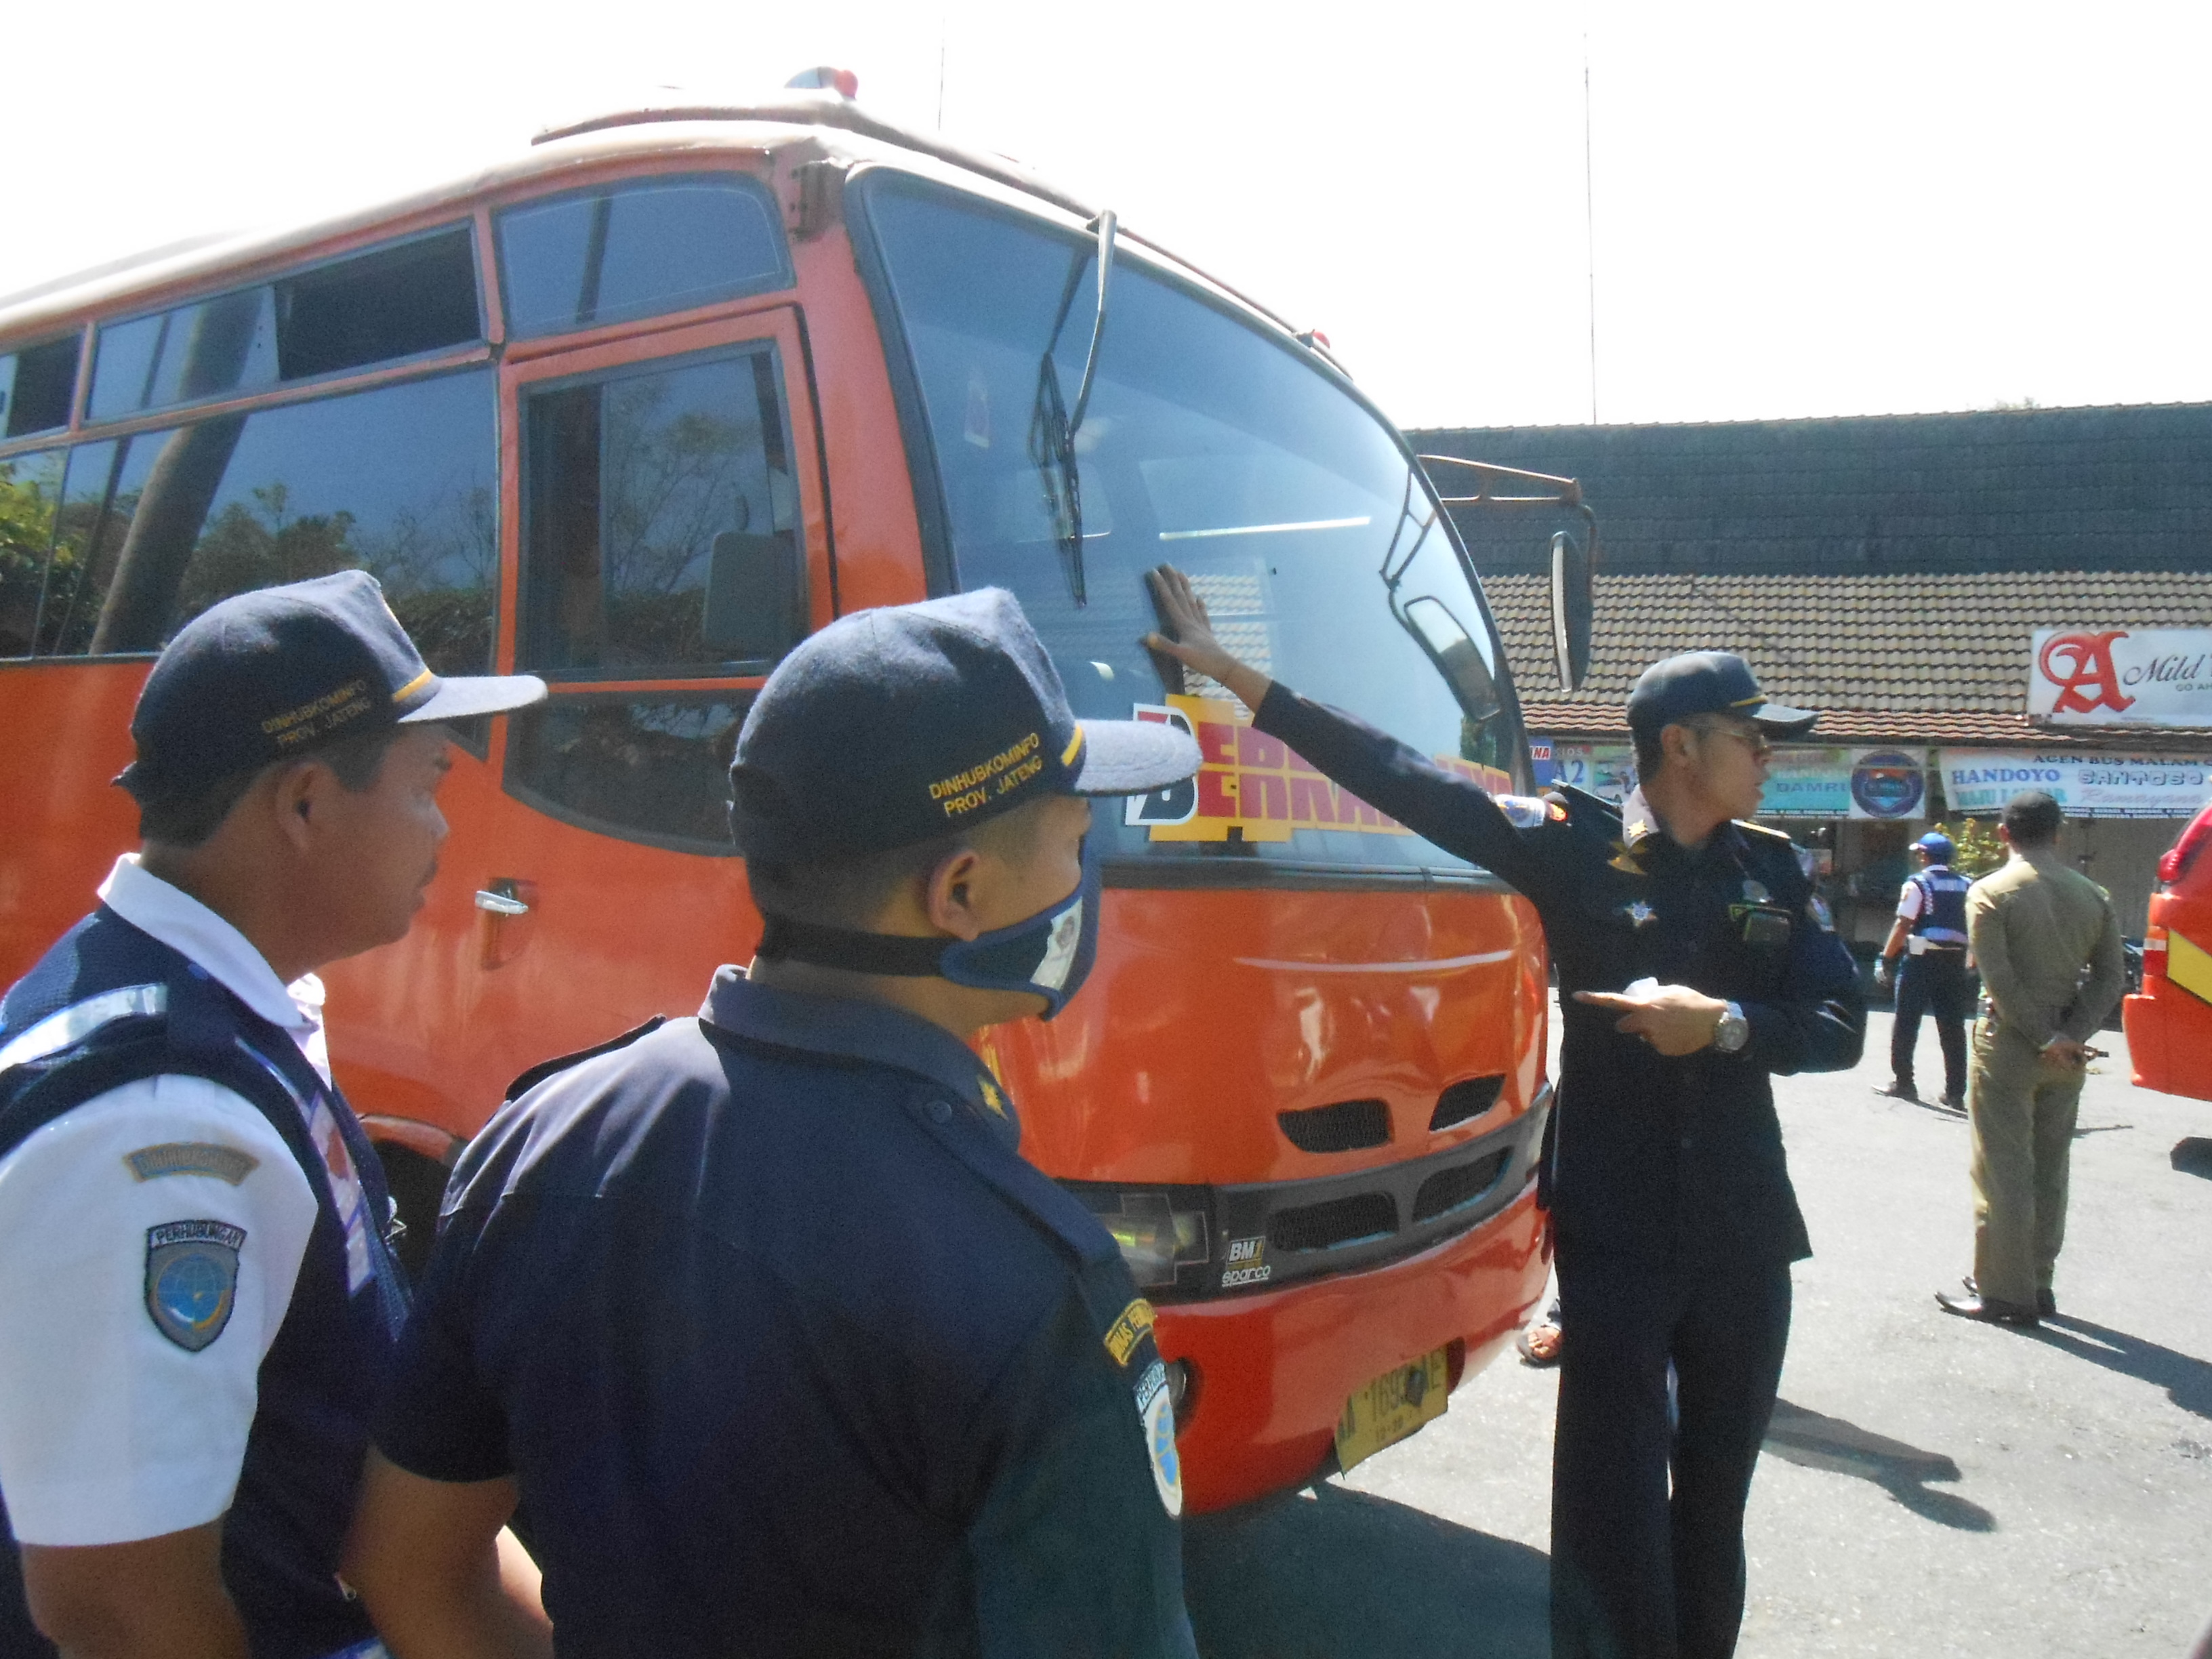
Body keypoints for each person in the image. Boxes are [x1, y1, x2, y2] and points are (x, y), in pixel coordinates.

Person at [342, 588, 1204, 1659]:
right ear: (962, 892)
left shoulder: (543, 1139)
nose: (1086, 878)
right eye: (1076, 841)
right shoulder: (1037, 1290)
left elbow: (407, 1564)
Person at [1143, 567, 1863, 1659]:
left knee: (1716, 1496)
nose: (1771, 757)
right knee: (1612, 1500)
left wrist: (1724, 1026)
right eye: (1752, 737)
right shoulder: (1575, 841)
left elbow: (1840, 1023)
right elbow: (1405, 780)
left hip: (1743, 1233)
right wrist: (1244, 679)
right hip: (1619, 1232)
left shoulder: (1772, 870)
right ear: (1681, 746)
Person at [0, 573, 546, 1659]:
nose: (444, 829)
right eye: (428, 784)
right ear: (304, 804)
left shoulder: (226, 1010)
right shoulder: (160, 1125)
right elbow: (117, 1609)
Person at [1936, 790, 2124, 1326]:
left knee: (2003, 1171)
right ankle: (2038, 1282)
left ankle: (2004, 1292)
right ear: (2058, 834)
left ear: (2004, 834)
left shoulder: (1991, 892)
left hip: (2011, 1045)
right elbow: (2111, 977)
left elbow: (1999, 980)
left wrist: (2045, 1036)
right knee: (2050, 1169)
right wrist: (2071, 1035)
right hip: (2069, 1052)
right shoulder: (2093, 894)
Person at [1875, 830, 1974, 1109]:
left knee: (1906, 1022)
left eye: (1920, 853)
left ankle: (1904, 1082)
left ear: (1925, 856)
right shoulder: (1968, 884)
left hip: (1920, 960)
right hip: (1955, 961)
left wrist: (1886, 957)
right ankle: (1955, 1092)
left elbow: (1904, 924)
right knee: (1953, 1027)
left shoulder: (1917, 883)